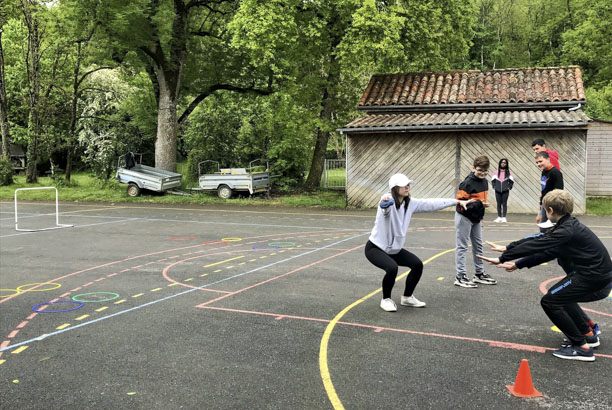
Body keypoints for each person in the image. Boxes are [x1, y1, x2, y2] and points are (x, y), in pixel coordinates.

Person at [478, 190, 612, 362]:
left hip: (594, 278)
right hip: (595, 276)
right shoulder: (567, 226)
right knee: (561, 296)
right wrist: (514, 257)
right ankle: (589, 337)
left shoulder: (566, 231)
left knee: (550, 301)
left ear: (550, 210)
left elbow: (539, 244)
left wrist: (502, 257)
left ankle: (582, 348)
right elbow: (545, 246)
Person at [365, 173, 474, 312]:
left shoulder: (410, 203)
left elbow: (431, 203)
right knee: (392, 268)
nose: (407, 186)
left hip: (393, 249)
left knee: (417, 265)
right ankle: (386, 299)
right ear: (395, 187)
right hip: (375, 248)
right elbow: (384, 209)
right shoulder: (388, 201)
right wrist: (384, 204)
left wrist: (457, 201)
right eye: (404, 185)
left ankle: (407, 298)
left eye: (408, 184)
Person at [455, 155, 496, 288]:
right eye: (479, 171)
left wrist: (480, 215)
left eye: (485, 171)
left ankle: (479, 274)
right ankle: (460, 276)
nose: (482, 174)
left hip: (476, 218)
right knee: (462, 246)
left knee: (478, 245)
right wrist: (479, 205)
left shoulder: (484, 182)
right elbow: (460, 204)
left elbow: (480, 202)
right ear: (473, 168)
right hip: (464, 217)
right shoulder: (466, 183)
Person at [535, 151, 563, 231]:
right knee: (543, 228)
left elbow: (559, 191)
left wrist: (552, 208)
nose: (539, 164)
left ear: (548, 159)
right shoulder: (544, 172)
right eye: (537, 162)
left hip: (552, 205)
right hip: (545, 203)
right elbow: (544, 190)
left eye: (540, 161)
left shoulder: (555, 173)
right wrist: (540, 211)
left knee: (549, 229)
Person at [491, 158, 514, 223]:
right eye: (502, 162)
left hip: (505, 191)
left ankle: (504, 217)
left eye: (504, 163)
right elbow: (493, 181)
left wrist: (508, 187)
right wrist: (494, 186)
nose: (503, 164)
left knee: (504, 204)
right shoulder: (496, 172)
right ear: (500, 163)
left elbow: (511, 181)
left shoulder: (508, 173)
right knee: (498, 204)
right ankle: (499, 217)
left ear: (506, 164)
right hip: (497, 191)